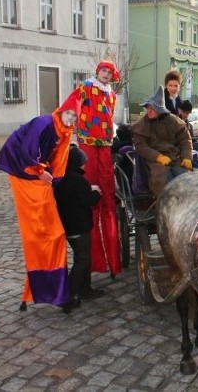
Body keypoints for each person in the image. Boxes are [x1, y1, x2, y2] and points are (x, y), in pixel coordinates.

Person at [0, 86, 84, 314]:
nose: (71, 118)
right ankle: (53, 292)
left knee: (52, 236)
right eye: (69, 114)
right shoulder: (44, 122)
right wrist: (40, 171)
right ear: (61, 110)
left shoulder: (64, 133)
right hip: (24, 173)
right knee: (45, 236)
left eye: (75, 116)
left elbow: (59, 163)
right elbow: (28, 150)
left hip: (37, 176)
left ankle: (53, 292)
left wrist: (54, 179)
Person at [75, 60, 122, 278]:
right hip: (87, 141)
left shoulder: (112, 94)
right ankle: (95, 260)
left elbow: (109, 117)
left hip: (104, 143)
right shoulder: (85, 86)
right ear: (97, 71)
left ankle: (113, 260)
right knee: (92, 195)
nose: (106, 74)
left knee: (108, 199)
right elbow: (71, 107)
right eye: (104, 70)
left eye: (110, 72)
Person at [54, 145, 103, 308]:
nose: (85, 165)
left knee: (84, 259)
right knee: (82, 261)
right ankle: (68, 295)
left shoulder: (62, 178)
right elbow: (88, 200)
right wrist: (96, 192)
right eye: (83, 162)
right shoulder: (77, 179)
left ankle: (85, 289)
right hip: (79, 227)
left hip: (68, 226)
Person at [131, 85, 193, 199]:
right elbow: (141, 146)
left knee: (188, 179)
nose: (149, 110)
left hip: (174, 157)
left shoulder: (172, 120)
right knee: (162, 180)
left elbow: (185, 139)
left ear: (160, 109)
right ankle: (161, 206)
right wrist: (158, 157)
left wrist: (187, 157)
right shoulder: (141, 125)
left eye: (152, 108)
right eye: (148, 107)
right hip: (153, 161)